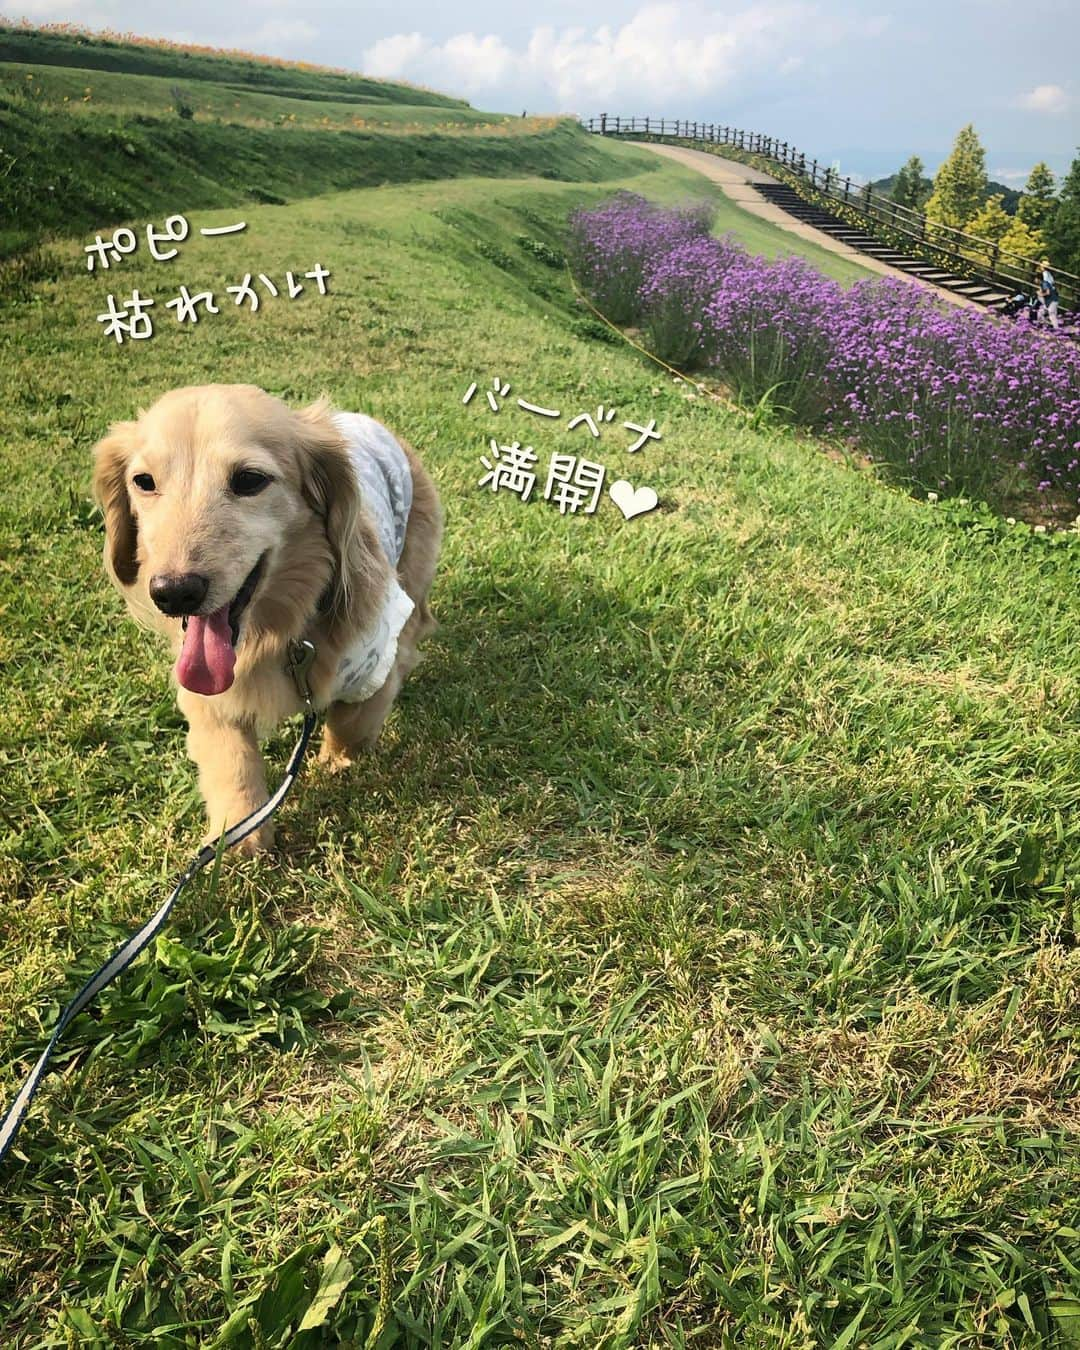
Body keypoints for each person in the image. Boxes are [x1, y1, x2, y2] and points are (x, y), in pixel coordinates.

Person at [1038, 256, 1060, 330]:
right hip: (1052, 295)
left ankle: (1055, 329)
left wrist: (1041, 293)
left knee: (1051, 313)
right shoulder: (1048, 274)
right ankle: (1048, 326)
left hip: (1050, 295)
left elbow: (1047, 287)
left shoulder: (1045, 274)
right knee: (1047, 312)